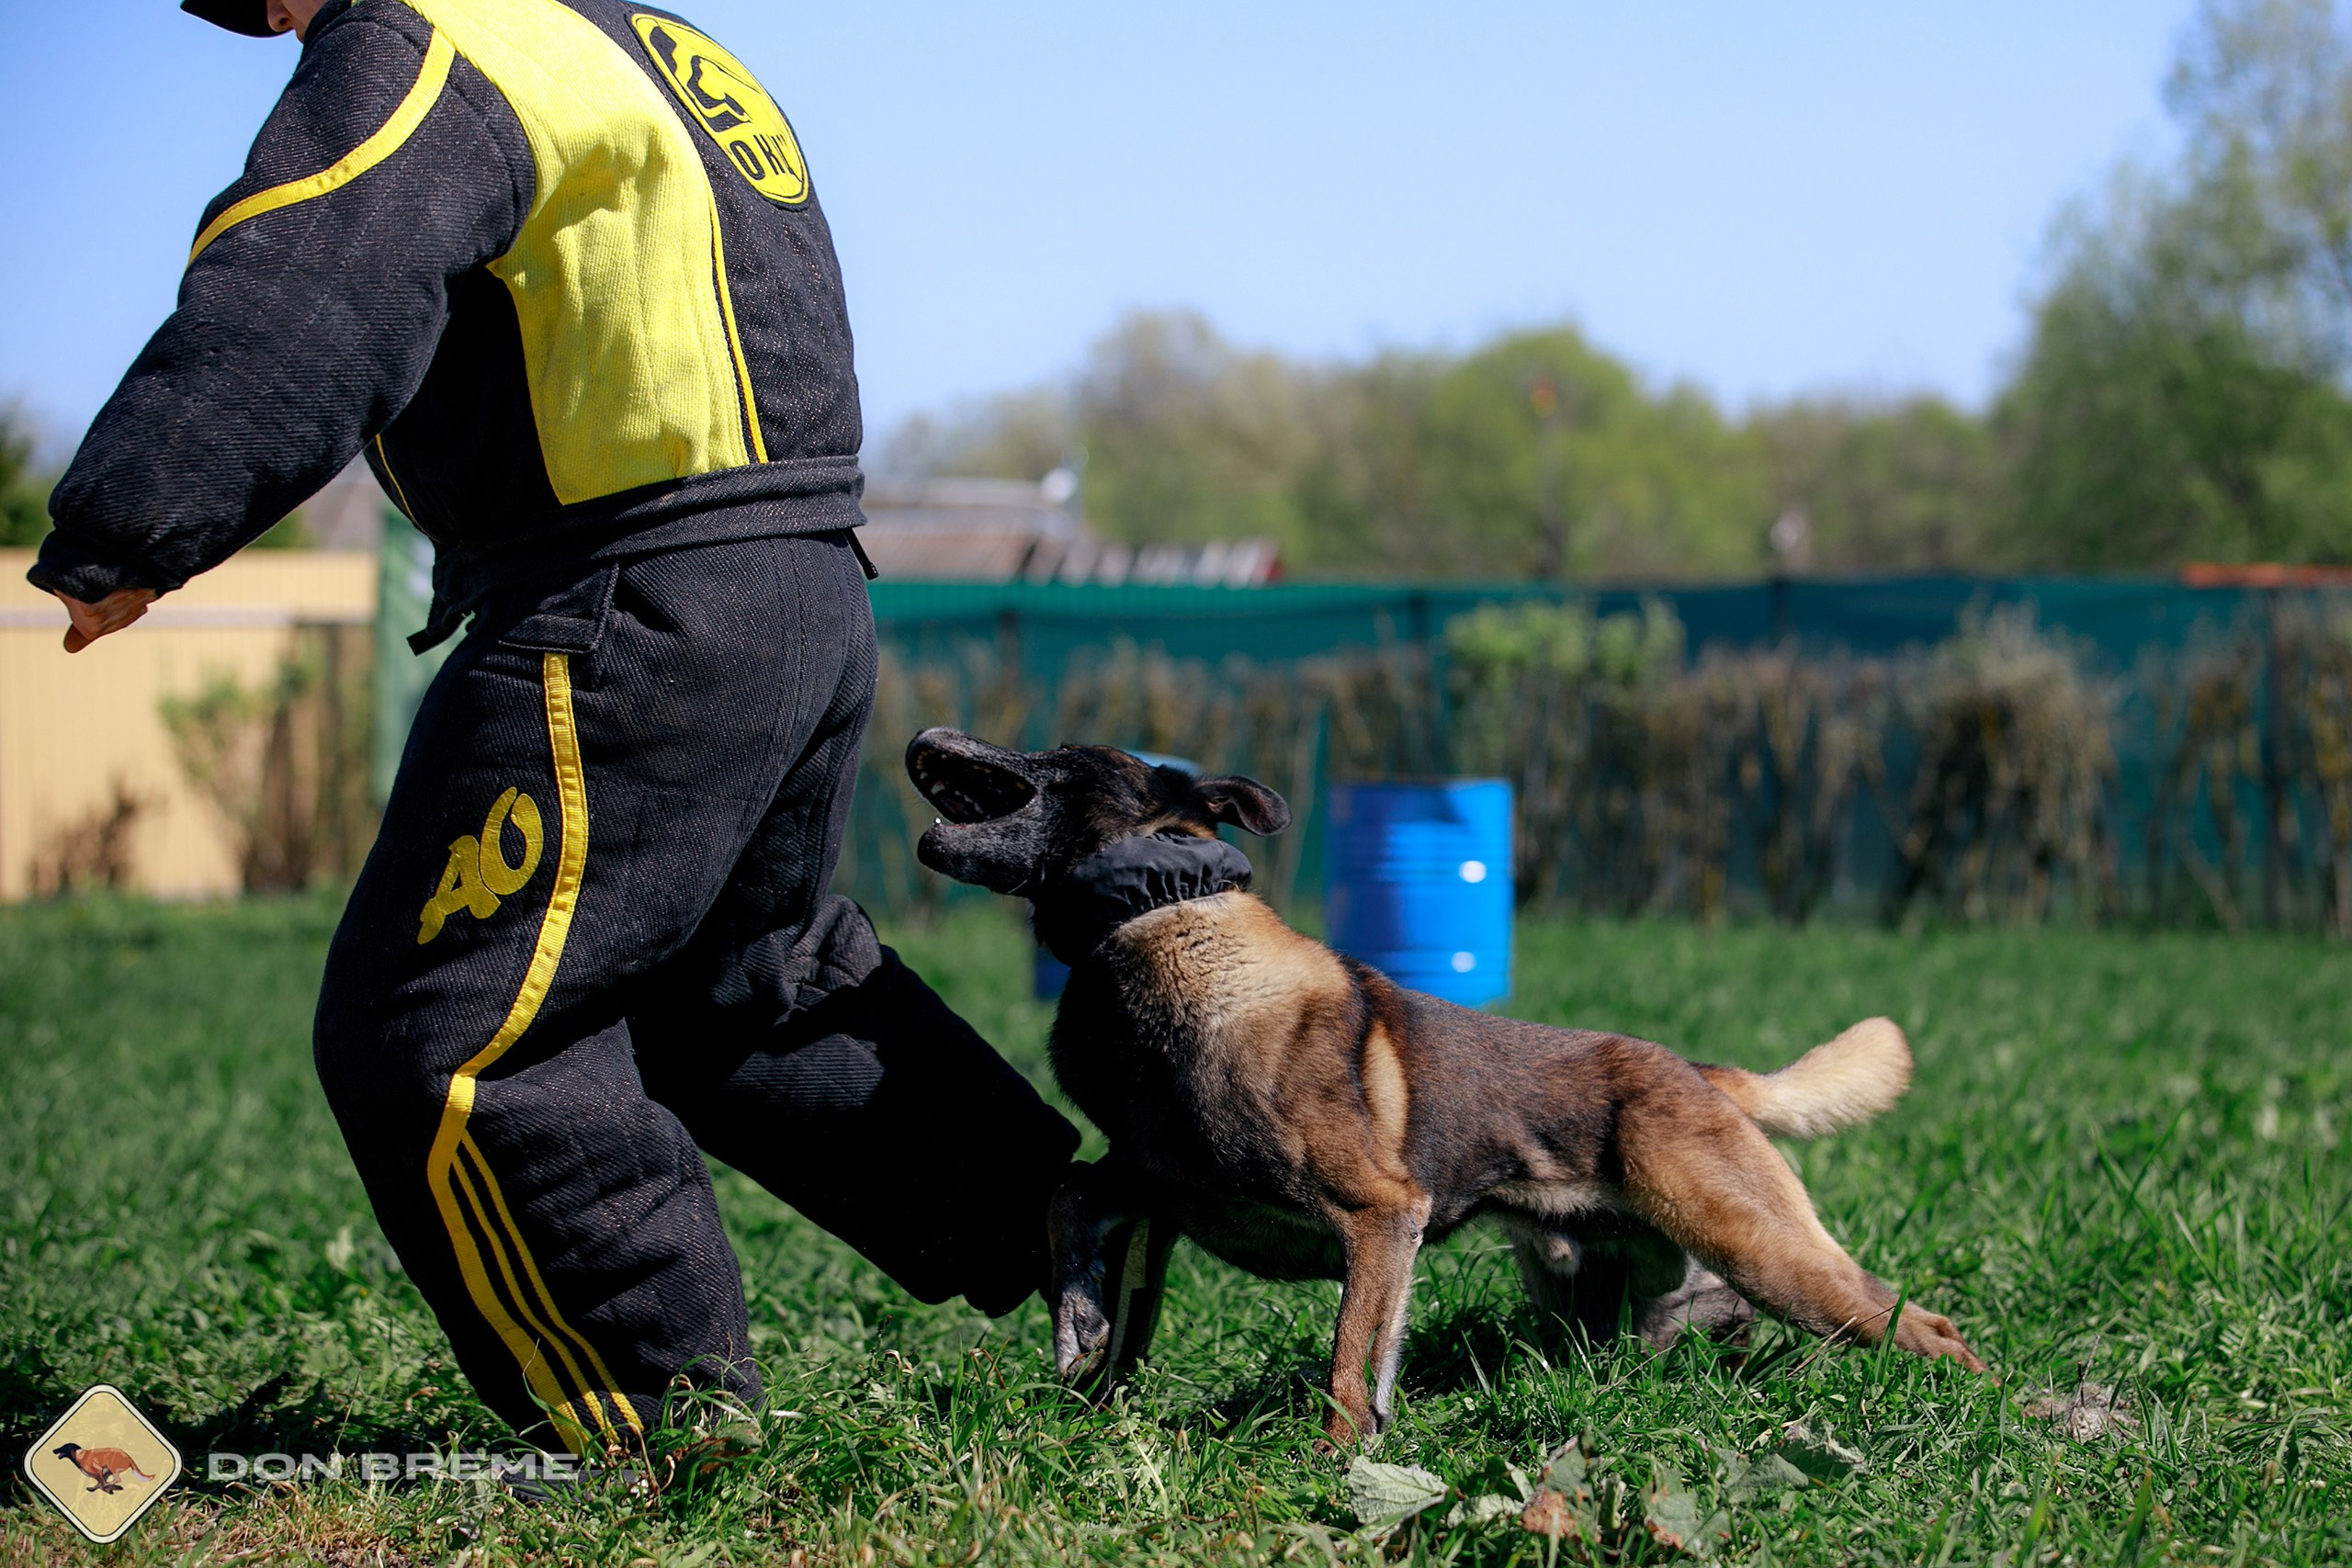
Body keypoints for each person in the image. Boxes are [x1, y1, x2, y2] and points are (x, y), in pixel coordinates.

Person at [34, 0, 1087, 1458]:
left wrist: (134, 519)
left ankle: (655, 1425)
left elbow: (315, 267)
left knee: (445, 1029)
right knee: (741, 989)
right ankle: (1066, 1228)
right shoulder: (648, 44)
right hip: (801, 580)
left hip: (628, 600)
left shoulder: (426, 42)